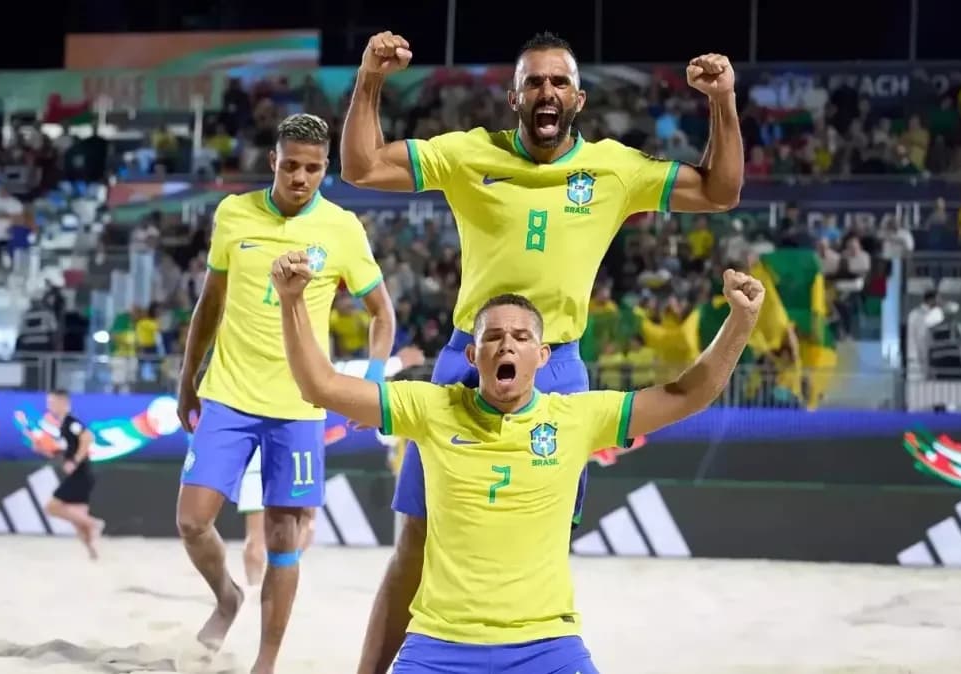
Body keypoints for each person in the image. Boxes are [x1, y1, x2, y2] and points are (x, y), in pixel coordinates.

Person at [340, 30, 743, 670]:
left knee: (545, 540)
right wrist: (369, 78)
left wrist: (721, 102)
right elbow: (361, 167)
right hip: (464, 364)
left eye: (559, 82)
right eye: (535, 82)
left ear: (578, 98)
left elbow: (720, 192)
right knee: (414, 542)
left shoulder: (615, 168)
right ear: (514, 97)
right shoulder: (469, 155)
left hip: (557, 368)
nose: (547, 92)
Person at [268, 251, 762, 674]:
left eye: (522, 337)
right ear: (473, 353)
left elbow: (686, 392)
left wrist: (740, 321)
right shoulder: (431, 408)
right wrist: (291, 303)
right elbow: (320, 386)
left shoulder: (578, 417)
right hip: (439, 647)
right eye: (494, 336)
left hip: (547, 647)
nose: (507, 344)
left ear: (543, 355)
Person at [173, 113, 395, 673]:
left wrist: (367, 385)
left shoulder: (342, 228)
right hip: (227, 393)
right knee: (192, 521)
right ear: (273, 161)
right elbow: (210, 304)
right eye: (291, 165)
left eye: (313, 168)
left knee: (282, 538)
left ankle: (265, 663)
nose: (301, 177)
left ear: (326, 170)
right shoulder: (234, 213)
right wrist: (186, 378)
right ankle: (227, 595)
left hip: (299, 405)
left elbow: (382, 314)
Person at [236, 349, 425, 587]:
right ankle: (278, 578)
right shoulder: (304, 359)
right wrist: (396, 362)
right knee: (304, 524)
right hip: (294, 446)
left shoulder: (252, 363)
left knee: (258, 536)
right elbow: (345, 372)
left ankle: (253, 590)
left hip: (259, 447)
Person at [33, 389, 104, 560]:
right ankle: (94, 555)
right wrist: (45, 449)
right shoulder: (64, 425)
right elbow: (67, 448)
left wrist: (75, 461)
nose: (49, 406)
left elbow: (88, 437)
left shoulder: (70, 422)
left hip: (80, 475)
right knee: (78, 521)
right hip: (82, 474)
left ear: (62, 402)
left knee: (52, 507)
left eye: (51, 402)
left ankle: (95, 524)